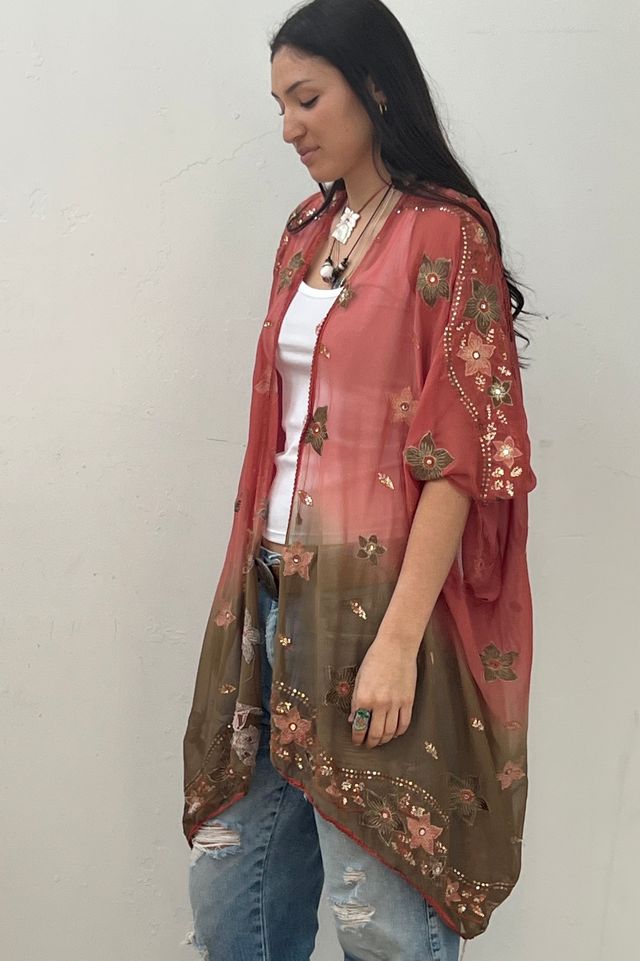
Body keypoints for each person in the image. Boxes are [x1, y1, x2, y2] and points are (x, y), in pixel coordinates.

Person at [182, 1, 537, 959]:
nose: (289, 128)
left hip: (378, 613)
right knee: (233, 904)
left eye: (307, 99)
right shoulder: (306, 229)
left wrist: (398, 644)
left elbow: (458, 460)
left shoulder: (447, 234)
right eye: (280, 107)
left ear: (374, 87)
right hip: (267, 598)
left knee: (379, 920)